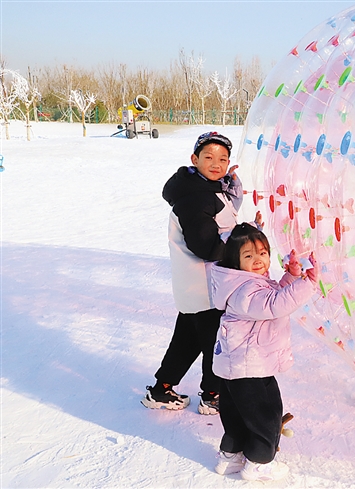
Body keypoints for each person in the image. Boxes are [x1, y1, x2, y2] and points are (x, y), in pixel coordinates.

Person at [141, 131, 241, 415]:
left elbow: (223, 215)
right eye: (208, 157)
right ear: (194, 159)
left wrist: (231, 189)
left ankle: (161, 389)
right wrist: (241, 245)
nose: (216, 164)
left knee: (187, 340)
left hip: (194, 287)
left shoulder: (203, 188)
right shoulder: (196, 197)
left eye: (223, 159)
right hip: (206, 287)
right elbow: (207, 247)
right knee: (215, 343)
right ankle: (213, 395)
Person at [209, 223, 318, 481]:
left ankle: (230, 456)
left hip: (238, 366)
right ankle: (259, 462)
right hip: (251, 367)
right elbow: (273, 304)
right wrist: (308, 284)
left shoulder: (241, 283)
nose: (258, 259)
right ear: (235, 261)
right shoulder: (245, 289)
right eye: (248, 255)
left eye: (263, 253)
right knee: (265, 415)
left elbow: (271, 294)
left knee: (236, 414)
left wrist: (291, 277)